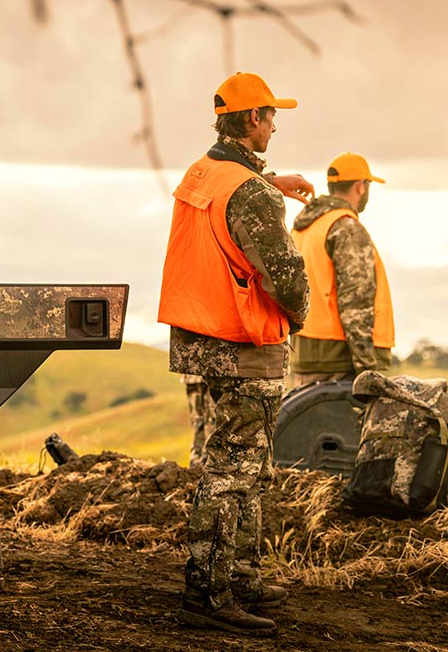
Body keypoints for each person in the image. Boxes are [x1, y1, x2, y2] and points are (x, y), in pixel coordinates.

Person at [157, 71, 311, 637]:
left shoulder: (204, 172)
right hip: (246, 342)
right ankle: (210, 591)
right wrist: (299, 318)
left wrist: (273, 181)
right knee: (234, 470)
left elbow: (232, 195)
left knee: (241, 464)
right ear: (252, 120)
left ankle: (242, 577)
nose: (274, 124)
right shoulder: (250, 192)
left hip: (203, 338)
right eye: (271, 116)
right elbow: (286, 277)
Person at [289, 153, 394, 386]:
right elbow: (356, 302)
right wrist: (367, 369)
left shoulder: (302, 228)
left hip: (305, 353)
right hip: (339, 359)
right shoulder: (346, 228)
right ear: (360, 186)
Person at [181, 374, 214, 468]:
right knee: (210, 423)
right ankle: (201, 467)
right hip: (210, 374)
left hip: (194, 373)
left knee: (200, 423)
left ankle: (197, 466)